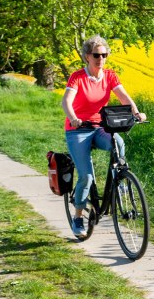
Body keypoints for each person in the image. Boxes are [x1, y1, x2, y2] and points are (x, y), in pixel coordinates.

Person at [61, 36, 147, 237]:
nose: (101, 59)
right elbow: (66, 101)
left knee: (118, 142)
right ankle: (78, 217)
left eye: (104, 55)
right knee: (87, 176)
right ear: (87, 57)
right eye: (96, 55)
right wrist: (73, 117)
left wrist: (136, 112)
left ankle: (119, 184)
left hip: (100, 126)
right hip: (78, 129)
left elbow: (123, 96)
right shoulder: (77, 77)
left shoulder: (109, 76)